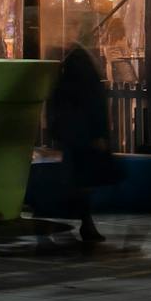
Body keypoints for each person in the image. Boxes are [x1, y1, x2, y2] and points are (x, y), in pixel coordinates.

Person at [48, 26, 116, 246]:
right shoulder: (82, 63)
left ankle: (84, 221)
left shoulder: (67, 66)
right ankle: (86, 222)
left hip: (72, 132)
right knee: (81, 180)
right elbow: (94, 102)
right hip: (83, 133)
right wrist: (100, 133)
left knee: (76, 178)